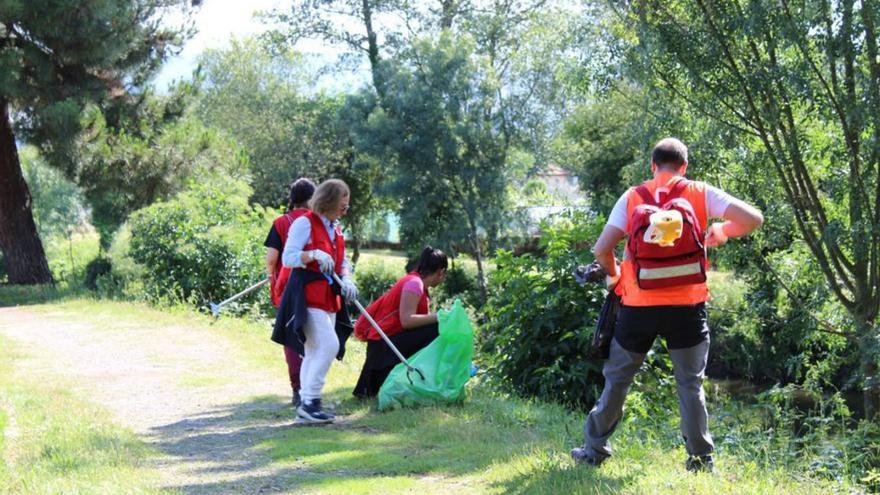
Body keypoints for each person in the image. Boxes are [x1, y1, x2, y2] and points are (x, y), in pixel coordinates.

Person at [570, 138, 763, 472]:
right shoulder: (700, 192)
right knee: (690, 384)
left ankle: (595, 450)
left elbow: (602, 250)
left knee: (618, 379)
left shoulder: (633, 197)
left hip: (637, 307)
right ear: (684, 167)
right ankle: (701, 461)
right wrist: (722, 230)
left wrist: (615, 277)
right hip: (687, 309)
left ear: (652, 165)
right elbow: (753, 218)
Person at [277, 179, 358, 424]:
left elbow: (341, 261)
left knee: (313, 351)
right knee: (329, 345)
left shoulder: (337, 229)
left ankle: (306, 404)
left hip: (329, 297)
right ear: (328, 201)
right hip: (307, 295)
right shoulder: (305, 223)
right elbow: (288, 258)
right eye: (342, 204)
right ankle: (311, 401)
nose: (346, 209)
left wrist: (348, 279)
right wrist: (312, 254)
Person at [352, 246, 449, 398]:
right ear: (441, 272)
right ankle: (430, 379)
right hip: (382, 346)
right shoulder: (414, 284)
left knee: (435, 326)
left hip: (387, 343)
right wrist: (440, 316)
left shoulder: (417, 282)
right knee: (437, 327)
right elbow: (407, 321)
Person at [264, 178, 315, 408]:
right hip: (315, 288)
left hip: (287, 289)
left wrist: (270, 276)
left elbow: (272, 258)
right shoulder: (317, 222)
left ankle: (298, 389)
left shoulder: (281, 222)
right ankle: (312, 388)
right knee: (314, 337)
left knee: (291, 339)